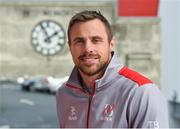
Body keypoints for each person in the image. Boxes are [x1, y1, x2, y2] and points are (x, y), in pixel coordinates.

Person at [56, 10, 169, 128]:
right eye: (79, 41)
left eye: (96, 40)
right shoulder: (64, 94)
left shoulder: (141, 92)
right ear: (70, 47)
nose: (88, 48)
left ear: (111, 44)